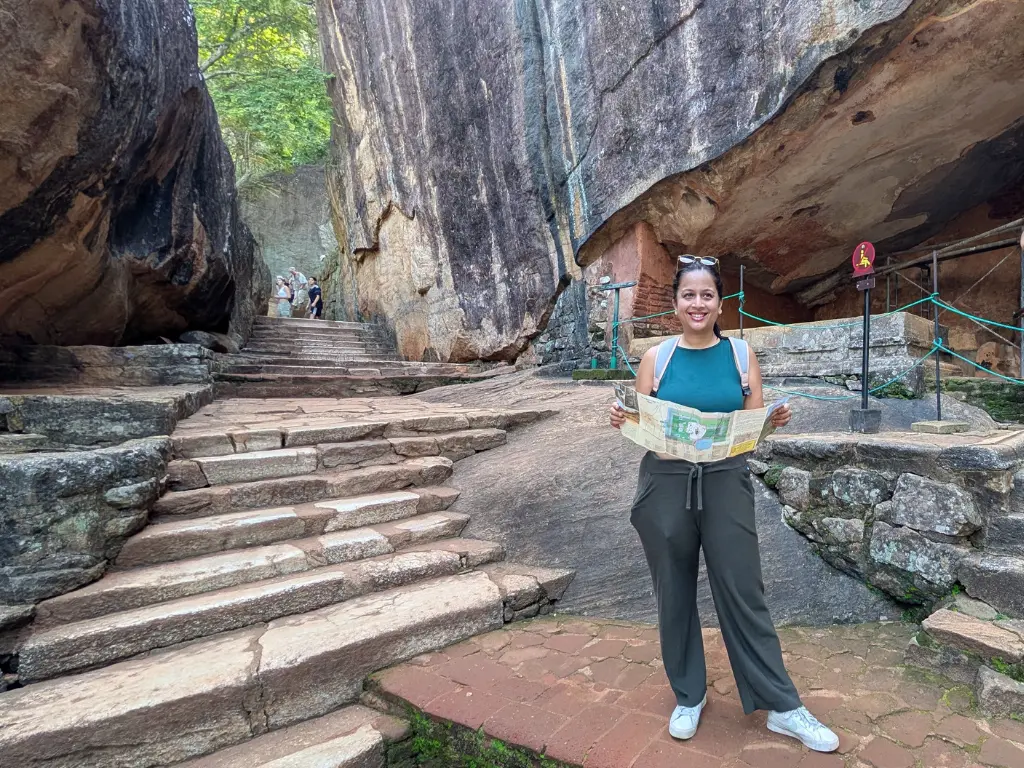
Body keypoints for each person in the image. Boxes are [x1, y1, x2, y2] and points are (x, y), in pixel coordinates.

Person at [609, 255, 840, 753]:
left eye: (706, 295)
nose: (697, 303)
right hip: (666, 483)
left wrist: (771, 421)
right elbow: (638, 419)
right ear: (675, 303)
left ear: (719, 303)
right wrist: (621, 418)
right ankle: (688, 695)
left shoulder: (740, 356)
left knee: (743, 589)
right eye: (688, 295)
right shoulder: (658, 359)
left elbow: (750, 429)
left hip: (725, 480)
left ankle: (782, 705)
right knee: (673, 590)